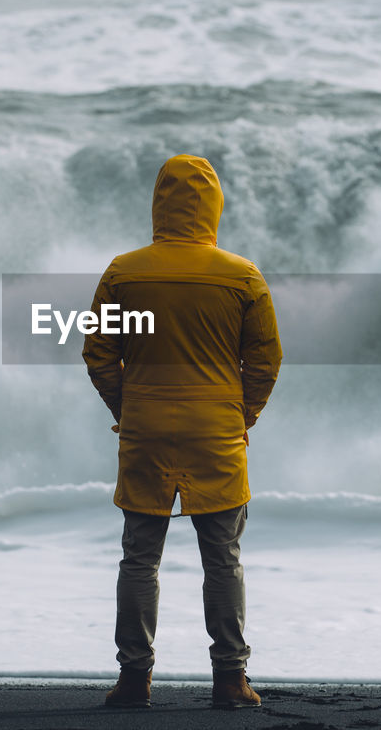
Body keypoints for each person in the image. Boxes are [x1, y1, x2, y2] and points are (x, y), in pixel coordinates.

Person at [82, 154, 283, 710]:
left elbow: (97, 353)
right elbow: (266, 362)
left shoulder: (124, 272)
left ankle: (132, 681)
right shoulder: (242, 276)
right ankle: (229, 680)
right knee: (222, 558)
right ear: (215, 207)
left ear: (158, 203)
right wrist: (242, 418)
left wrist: (130, 407)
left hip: (145, 431)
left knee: (139, 559)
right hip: (216, 435)